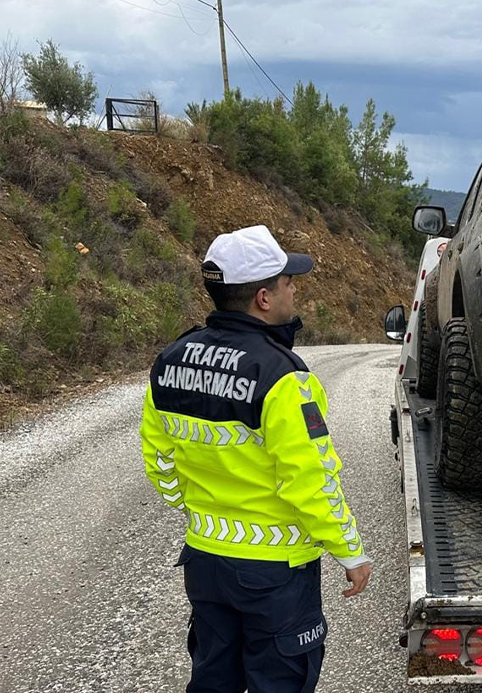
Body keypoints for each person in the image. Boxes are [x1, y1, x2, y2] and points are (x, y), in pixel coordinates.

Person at [140, 224, 371, 692]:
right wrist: (350, 551)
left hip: (205, 561)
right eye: (288, 282)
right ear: (264, 298)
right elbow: (312, 478)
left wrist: (199, 512)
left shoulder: (171, 360)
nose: (294, 290)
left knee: (213, 678)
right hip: (275, 574)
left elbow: (160, 461)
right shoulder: (284, 377)